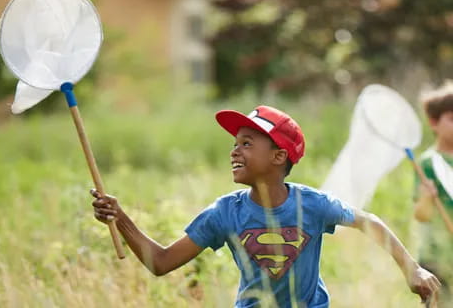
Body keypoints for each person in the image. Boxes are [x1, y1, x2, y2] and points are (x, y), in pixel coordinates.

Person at [91, 105, 441, 307]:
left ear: (278, 156)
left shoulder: (312, 206)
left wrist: (413, 270)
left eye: (246, 143)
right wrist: (122, 219)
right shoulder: (225, 212)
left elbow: (370, 222)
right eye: (234, 143)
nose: (234, 151)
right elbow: (162, 262)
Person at [414, 81, 453, 307]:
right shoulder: (429, 163)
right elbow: (422, 214)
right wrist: (427, 196)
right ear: (434, 123)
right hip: (436, 256)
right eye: (452, 118)